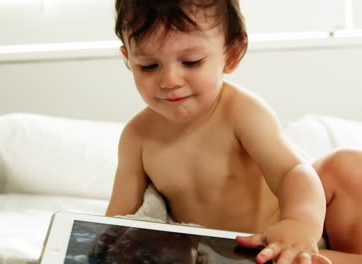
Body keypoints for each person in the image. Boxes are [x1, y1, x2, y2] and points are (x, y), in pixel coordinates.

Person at [105, 0, 362, 263]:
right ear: (128, 59)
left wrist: (299, 223)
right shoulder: (137, 137)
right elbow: (117, 220)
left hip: (290, 230)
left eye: (191, 62)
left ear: (231, 54)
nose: (170, 81)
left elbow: (291, 172)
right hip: (236, 254)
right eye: (148, 66)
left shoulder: (240, 111)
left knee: (348, 166)